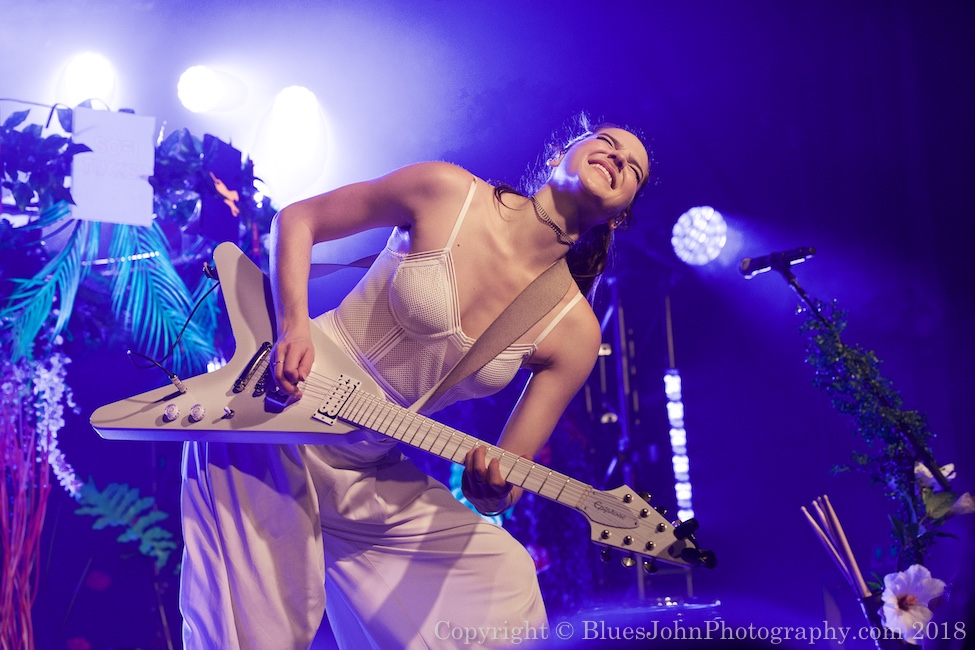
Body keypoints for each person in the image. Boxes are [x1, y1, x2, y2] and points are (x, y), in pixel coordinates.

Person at [178, 115, 650, 649]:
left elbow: (506, 478)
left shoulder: (574, 331)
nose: (617, 158)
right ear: (560, 153)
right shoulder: (447, 190)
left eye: (633, 168)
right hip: (275, 411)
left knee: (503, 575)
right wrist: (294, 328)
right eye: (606, 143)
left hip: (367, 467)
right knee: (260, 628)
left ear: (621, 216)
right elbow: (298, 218)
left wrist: (494, 489)